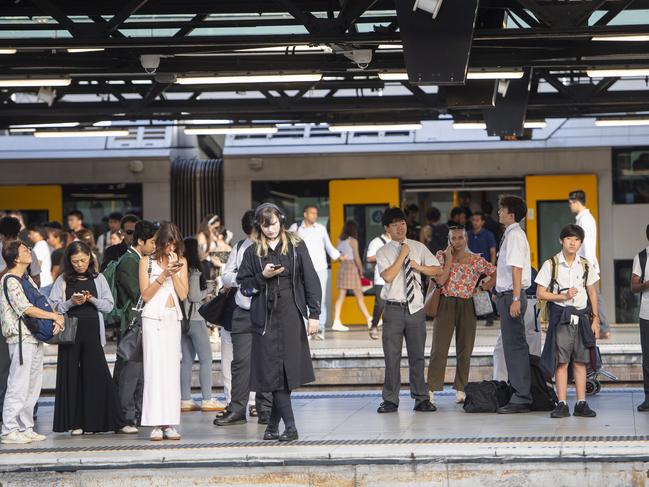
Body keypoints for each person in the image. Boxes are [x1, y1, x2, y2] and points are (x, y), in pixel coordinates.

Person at [237, 203, 321, 442]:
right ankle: (290, 427)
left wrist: (314, 314)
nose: (270, 229)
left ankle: (273, 426)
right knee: (274, 372)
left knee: (286, 372)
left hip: (291, 315)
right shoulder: (253, 252)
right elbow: (244, 286)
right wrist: (262, 277)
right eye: (265, 225)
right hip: (266, 318)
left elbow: (310, 279)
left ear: (281, 221)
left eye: (273, 224)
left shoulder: (295, 246)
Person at [49, 241, 133, 435]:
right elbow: (54, 307)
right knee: (72, 376)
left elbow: (109, 306)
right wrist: (71, 302)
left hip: (92, 331)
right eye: (75, 261)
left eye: (83, 260)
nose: (80, 264)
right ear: (69, 261)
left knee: (99, 375)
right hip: (71, 332)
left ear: (90, 258)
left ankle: (112, 421)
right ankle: (75, 422)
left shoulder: (98, 278)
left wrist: (91, 299)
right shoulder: (63, 279)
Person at [375, 207, 441, 414]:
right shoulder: (383, 251)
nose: (400, 227)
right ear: (387, 228)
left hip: (415, 308)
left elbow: (437, 269)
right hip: (393, 308)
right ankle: (390, 400)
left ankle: (421, 398)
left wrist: (419, 267)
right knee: (392, 357)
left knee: (417, 356)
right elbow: (387, 276)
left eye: (402, 223)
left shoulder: (418, 247)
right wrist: (402, 255)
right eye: (394, 224)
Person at [0, 240, 63, 444]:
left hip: (32, 337)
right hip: (20, 338)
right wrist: (53, 316)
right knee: (18, 384)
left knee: (33, 385)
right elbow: (25, 308)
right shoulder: (10, 280)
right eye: (25, 250)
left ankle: (25, 426)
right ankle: (9, 429)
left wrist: (54, 316)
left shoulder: (26, 279)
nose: (30, 252)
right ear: (16, 257)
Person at [215, 210, 273, 426]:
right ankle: (238, 408)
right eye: (251, 233)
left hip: (266, 311)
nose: (254, 237)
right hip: (242, 310)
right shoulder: (239, 247)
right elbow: (226, 275)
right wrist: (243, 279)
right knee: (240, 363)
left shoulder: (272, 247)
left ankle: (265, 407)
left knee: (265, 361)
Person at [427, 226, 496, 404]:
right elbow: (440, 280)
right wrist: (449, 259)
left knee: (465, 349)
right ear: (449, 240)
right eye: (453, 238)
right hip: (446, 303)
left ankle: (461, 388)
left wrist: (481, 288)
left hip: (468, 304)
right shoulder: (441, 257)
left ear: (466, 239)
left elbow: (495, 273)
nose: (457, 241)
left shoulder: (475, 259)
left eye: (460, 237)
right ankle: (431, 389)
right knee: (439, 349)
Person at [537, 224, 600, 418]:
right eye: (569, 239)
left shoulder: (585, 264)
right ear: (561, 241)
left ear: (580, 243)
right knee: (561, 363)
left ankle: (581, 403)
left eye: (577, 240)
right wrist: (562, 297)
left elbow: (592, 292)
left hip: (582, 318)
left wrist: (595, 319)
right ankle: (562, 403)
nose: (573, 243)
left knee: (581, 362)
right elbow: (540, 293)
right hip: (561, 317)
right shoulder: (551, 264)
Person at [139, 222, 188, 441]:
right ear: (160, 243)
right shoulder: (146, 262)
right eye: (168, 244)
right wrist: (162, 275)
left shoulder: (182, 261)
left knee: (171, 370)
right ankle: (155, 423)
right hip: (151, 317)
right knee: (153, 370)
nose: (171, 248)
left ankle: (169, 423)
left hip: (172, 317)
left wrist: (174, 272)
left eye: (174, 244)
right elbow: (146, 295)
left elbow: (184, 294)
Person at [113, 220, 157, 430]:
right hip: (132, 323)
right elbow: (139, 294)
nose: (155, 246)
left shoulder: (137, 259)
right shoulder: (130, 261)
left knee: (138, 372)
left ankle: (137, 413)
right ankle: (125, 416)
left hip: (138, 323)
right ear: (140, 241)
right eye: (152, 242)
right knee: (130, 372)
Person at [493, 195, 533, 414]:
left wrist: (515, 298)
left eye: (502, 209)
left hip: (512, 296)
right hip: (507, 295)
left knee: (515, 347)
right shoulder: (510, 235)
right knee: (511, 346)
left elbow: (517, 268)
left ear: (511, 214)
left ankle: (521, 397)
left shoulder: (515, 236)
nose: (499, 212)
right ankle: (518, 392)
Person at [180, 236, 224, 413]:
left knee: (187, 360)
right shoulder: (194, 271)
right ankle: (207, 399)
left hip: (183, 320)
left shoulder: (181, 269)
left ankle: (185, 399)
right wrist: (210, 289)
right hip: (196, 319)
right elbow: (194, 296)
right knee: (206, 359)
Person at [288, 205, 344, 338]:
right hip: (302, 269)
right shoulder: (295, 228)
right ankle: (307, 329)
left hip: (320, 268)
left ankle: (319, 329)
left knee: (320, 298)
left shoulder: (321, 229)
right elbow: (287, 244)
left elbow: (329, 247)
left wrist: (338, 256)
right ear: (305, 214)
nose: (315, 215)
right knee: (303, 297)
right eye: (312, 213)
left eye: (316, 213)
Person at [568, 190, 611, 339]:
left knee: (594, 296)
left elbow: (586, 244)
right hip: (586, 263)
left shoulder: (585, 219)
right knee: (589, 296)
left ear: (576, 202)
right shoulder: (584, 218)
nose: (570, 206)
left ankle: (604, 328)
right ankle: (595, 327)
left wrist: (584, 264)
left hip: (587, 264)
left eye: (570, 203)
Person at [332, 220, 373, 331]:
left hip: (343, 267)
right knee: (359, 297)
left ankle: (336, 321)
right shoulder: (353, 241)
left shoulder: (339, 241)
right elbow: (356, 257)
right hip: (351, 267)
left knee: (341, 296)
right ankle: (369, 319)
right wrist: (361, 269)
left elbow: (336, 257)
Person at [468, 211, 498, 326]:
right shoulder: (468, 234)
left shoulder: (488, 234)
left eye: (477, 220)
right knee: (471, 291)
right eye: (473, 220)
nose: (475, 222)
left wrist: (492, 268)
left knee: (486, 290)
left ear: (482, 222)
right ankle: (473, 315)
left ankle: (489, 316)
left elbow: (492, 251)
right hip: (471, 268)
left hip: (485, 268)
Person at [632, 224, 649, 412]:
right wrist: (645, 285)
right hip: (647, 315)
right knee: (648, 358)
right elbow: (633, 286)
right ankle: (648, 397)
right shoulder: (642, 257)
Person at [366, 227, 391, 340]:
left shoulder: (400, 241)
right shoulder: (376, 242)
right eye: (394, 225)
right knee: (380, 304)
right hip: (381, 277)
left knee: (394, 305)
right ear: (387, 227)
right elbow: (369, 257)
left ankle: (392, 329)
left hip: (397, 278)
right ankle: (374, 326)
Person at [27, 225, 53, 297]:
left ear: (37, 233)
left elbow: (37, 266)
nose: (29, 236)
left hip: (42, 283)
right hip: (46, 282)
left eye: (30, 233)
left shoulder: (40, 246)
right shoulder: (43, 244)